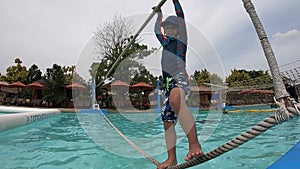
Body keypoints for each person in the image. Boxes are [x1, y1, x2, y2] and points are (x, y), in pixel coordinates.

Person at [153, 1, 204, 168]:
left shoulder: (181, 41)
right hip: (167, 85)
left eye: (171, 28)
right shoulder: (166, 43)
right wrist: (158, 15)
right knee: (167, 121)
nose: (168, 30)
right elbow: (156, 31)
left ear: (178, 29)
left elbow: (181, 18)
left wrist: (175, 0)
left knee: (176, 99)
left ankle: (194, 144)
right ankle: (171, 158)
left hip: (179, 79)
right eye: (166, 28)